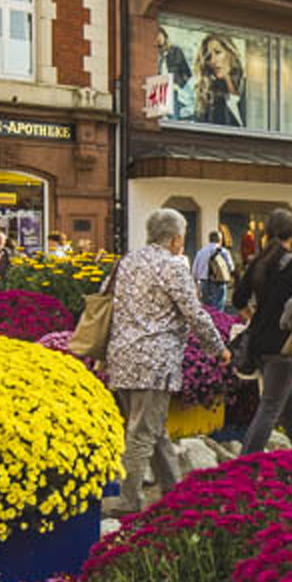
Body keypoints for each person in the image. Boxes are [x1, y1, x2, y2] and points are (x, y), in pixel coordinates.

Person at [103, 208, 227, 510]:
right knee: (143, 433)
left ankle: (175, 493)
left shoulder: (127, 261)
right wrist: (218, 347)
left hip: (121, 356)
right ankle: (129, 498)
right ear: (176, 239)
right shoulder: (172, 266)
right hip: (154, 361)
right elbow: (194, 311)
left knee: (153, 428)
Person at [231, 204, 292, 455]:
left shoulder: (259, 262)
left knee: (289, 403)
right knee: (270, 406)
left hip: (257, 340)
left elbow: (238, 299)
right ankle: (247, 461)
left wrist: (255, 316)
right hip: (283, 344)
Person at [192, 226, 236, 311]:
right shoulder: (223, 251)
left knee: (206, 308)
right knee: (218, 307)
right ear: (220, 239)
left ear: (209, 239)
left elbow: (194, 270)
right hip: (219, 282)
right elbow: (231, 267)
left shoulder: (201, 252)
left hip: (204, 282)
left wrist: (196, 283)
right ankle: (217, 324)